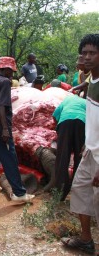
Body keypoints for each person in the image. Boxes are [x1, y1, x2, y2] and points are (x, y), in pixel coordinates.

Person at [61, 34, 99, 254]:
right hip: (90, 150)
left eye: (92, 53)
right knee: (80, 190)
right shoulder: (91, 80)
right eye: (84, 53)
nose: (86, 57)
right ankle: (86, 239)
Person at [0, 56, 35, 202]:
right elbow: (1, 106)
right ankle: (19, 193)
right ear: (5, 69)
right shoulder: (5, 82)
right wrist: (5, 129)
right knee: (9, 159)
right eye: (11, 71)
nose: (12, 75)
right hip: (0, 128)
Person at [52, 95, 86, 201]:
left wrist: (58, 129)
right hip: (82, 123)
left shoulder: (67, 99)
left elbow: (54, 115)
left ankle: (60, 193)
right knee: (79, 157)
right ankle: (78, 192)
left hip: (65, 122)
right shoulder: (87, 102)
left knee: (63, 157)